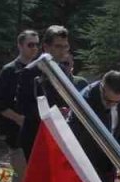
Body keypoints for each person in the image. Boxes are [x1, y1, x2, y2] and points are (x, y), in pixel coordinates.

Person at [0, 29, 38, 182]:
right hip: (16, 134)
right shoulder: (9, 70)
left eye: (36, 45)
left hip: (35, 134)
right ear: (20, 45)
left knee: (31, 177)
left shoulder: (39, 70)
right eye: (30, 45)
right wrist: (19, 119)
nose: (34, 48)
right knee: (22, 177)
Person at [15, 25, 71, 162]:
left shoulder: (64, 71)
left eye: (65, 46)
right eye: (58, 46)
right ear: (46, 47)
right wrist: (52, 114)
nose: (63, 51)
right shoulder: (30, 72)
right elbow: (24, 107)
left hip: (60, 135)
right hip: (36, 137)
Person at [69, 70, 120, 182]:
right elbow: (76, 137)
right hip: (85, 162)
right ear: (102, 86)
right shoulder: (84, 101)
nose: (113, 105)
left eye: (118, 101)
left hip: (109, 164)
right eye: (108, 100)